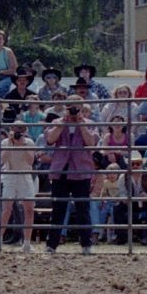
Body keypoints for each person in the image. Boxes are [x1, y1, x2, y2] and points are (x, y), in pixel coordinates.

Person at [44, 95, 97, 254]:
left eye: (76, 107)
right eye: (71, 107)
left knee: (83, 208)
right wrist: (63, 123)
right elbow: (50, 139)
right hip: (61, 170)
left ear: (82, 108)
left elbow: (91, 143)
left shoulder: (89, 124)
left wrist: (80, 123)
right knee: (58, 208)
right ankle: (51, 245)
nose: (74, 110)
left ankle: (86, 244)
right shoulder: (57, 123)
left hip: (81, 171)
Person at [0, 119, 40, 250]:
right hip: (10, 175)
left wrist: (22, 144)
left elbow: (30, 161)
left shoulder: (29, 143)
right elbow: (2, 160)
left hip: (25, 176)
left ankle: (26, 242)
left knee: (29, 209)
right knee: (7, 209)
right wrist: (11, 143)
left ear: (25, 131)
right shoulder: (5, 142)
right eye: (16, 130)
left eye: (21, 130)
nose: (18, 132)